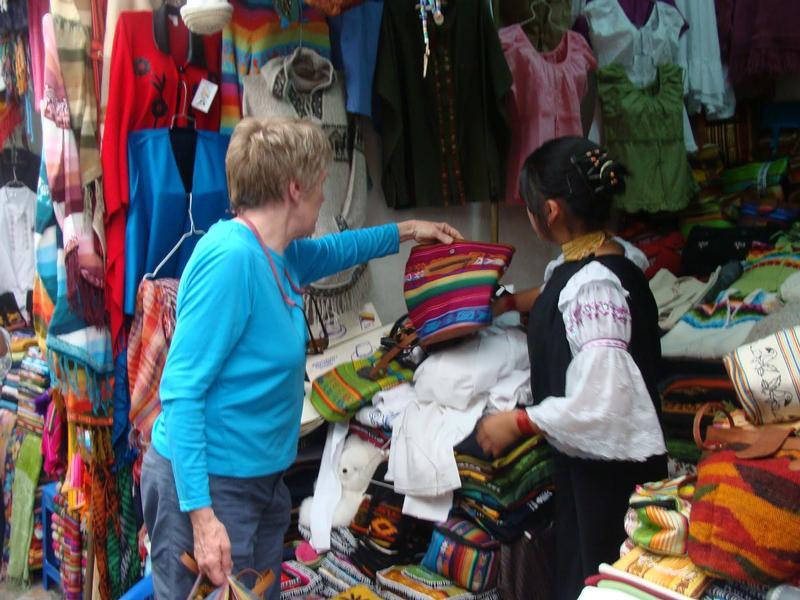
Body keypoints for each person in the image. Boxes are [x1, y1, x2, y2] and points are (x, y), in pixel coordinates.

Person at [141, 116, 462, 599]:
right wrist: (202, 519)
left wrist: (410, 230)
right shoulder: (232, 259)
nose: (323, 196)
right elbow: (182, 392)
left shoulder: (280, 253)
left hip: (258, 481)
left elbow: (339, 249)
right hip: (212, 485)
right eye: (320, 185)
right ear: (294, 189)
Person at [478, 137, 668, 600]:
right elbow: (554, 292)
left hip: (604, 476)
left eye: (528, 208)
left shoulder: (595, 288)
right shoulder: (608, 258)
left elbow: (603, 401)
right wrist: (504, 303)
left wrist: (517, 421)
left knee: (600, 573)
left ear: (551, 212)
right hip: (594, 467)